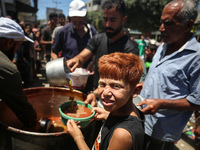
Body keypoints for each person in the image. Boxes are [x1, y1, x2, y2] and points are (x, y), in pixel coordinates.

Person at [136, 0, 200, 149]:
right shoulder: (163, 46)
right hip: (141, 121)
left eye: (168, 23)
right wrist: (143, 86)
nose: (161, 28)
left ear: (188, 25)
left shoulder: (196, 57)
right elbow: (163, 79)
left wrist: (161, 104)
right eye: (161, 22)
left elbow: (197, 100)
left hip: (161, 134)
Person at [67, 52, 144, 150]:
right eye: (102, 84)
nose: (106, 92)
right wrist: (109, 116)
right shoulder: (121, 111)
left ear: (135, 91)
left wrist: (78, 137)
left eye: (116, 86)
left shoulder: (122, 134)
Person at [67, 0, 139, 97]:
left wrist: (95, 93)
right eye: (105, 19)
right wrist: (76, 60)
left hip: (114, 101)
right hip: (95, 95)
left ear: (123, 20)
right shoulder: (98, 38)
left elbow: (120, 82)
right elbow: (82, 56)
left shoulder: (130, 49)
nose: (108, 24)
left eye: (112, 20)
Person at [0, 17, 37, 127]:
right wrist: (36, 124)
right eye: (18, 46)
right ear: (10, 42)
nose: (16, 51)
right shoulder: (7, 69)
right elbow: (24, 111)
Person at [51, 0, 96, 68]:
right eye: (74, 16)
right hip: (70, 74)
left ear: (86, 14)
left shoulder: (92, 31)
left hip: (88, 74)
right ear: (70, 16)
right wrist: (61, 68)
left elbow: (97, 51)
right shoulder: (62, 32)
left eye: (80, 17)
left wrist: (93, 63)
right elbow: (54, 52)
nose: (77, 20)